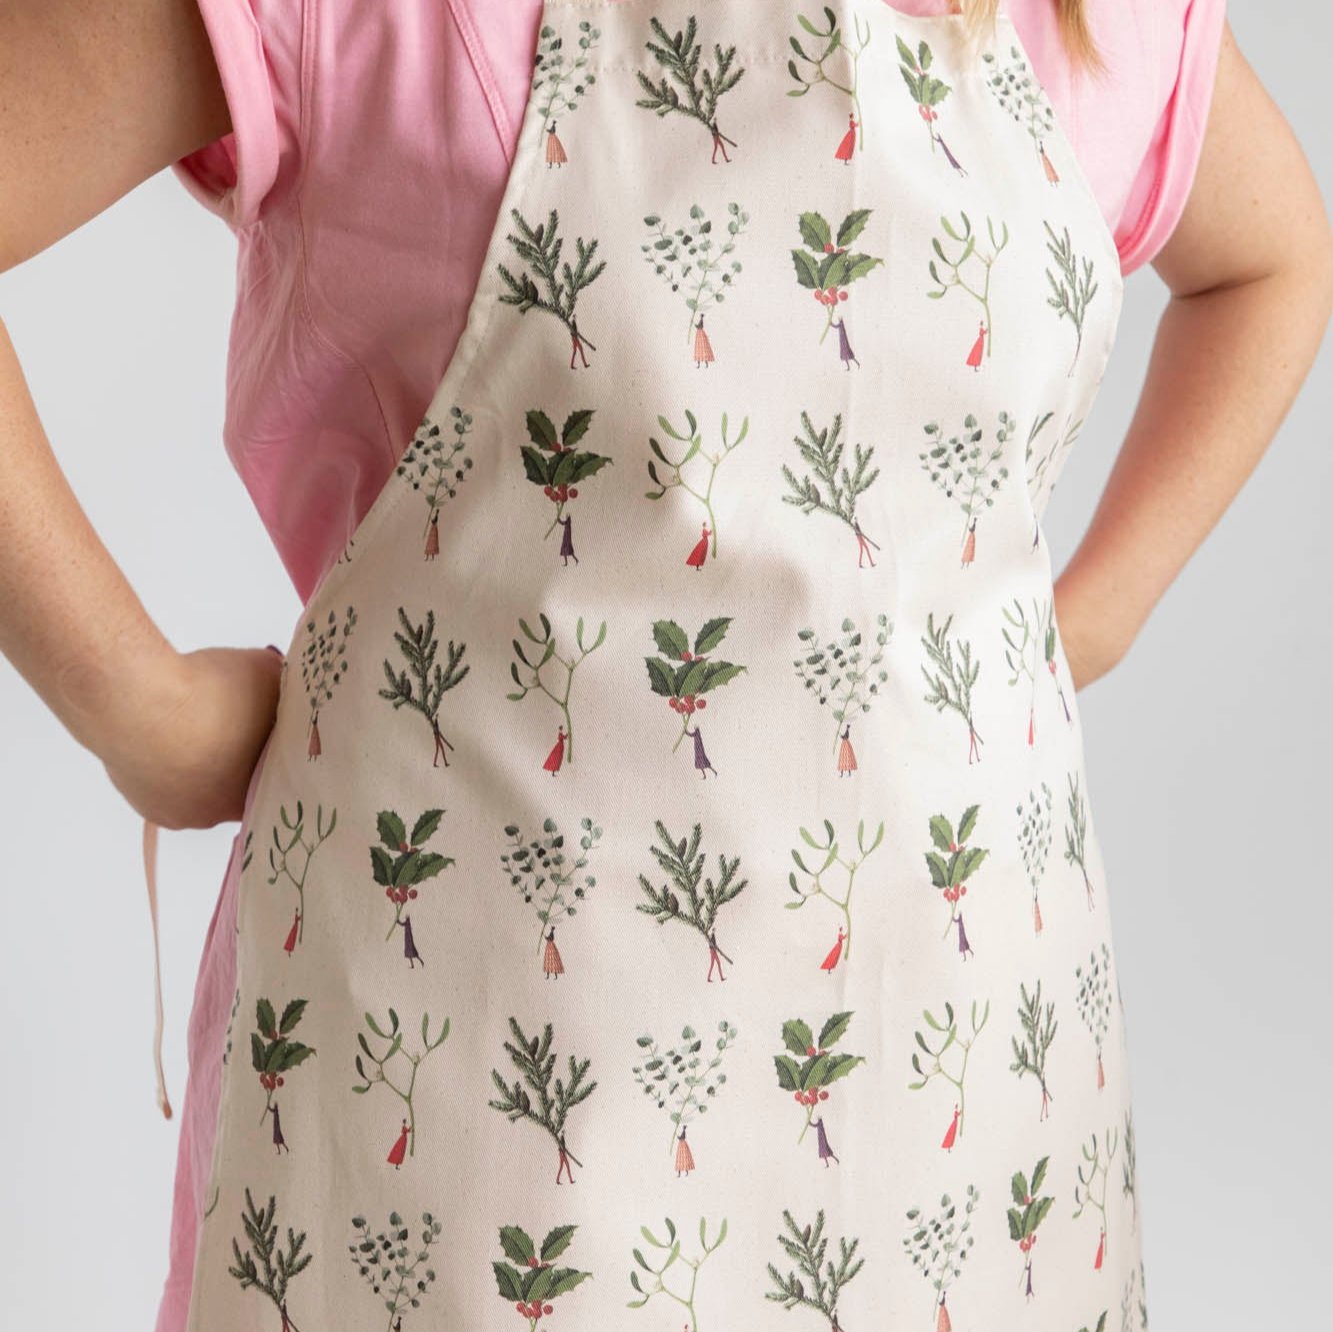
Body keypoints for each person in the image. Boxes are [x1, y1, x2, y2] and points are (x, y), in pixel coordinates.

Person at [0, 4, 1329, 1332]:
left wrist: (1093, 615)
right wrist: (131, 704)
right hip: (502, 1067)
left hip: (973, 1074)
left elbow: (1272, 259)